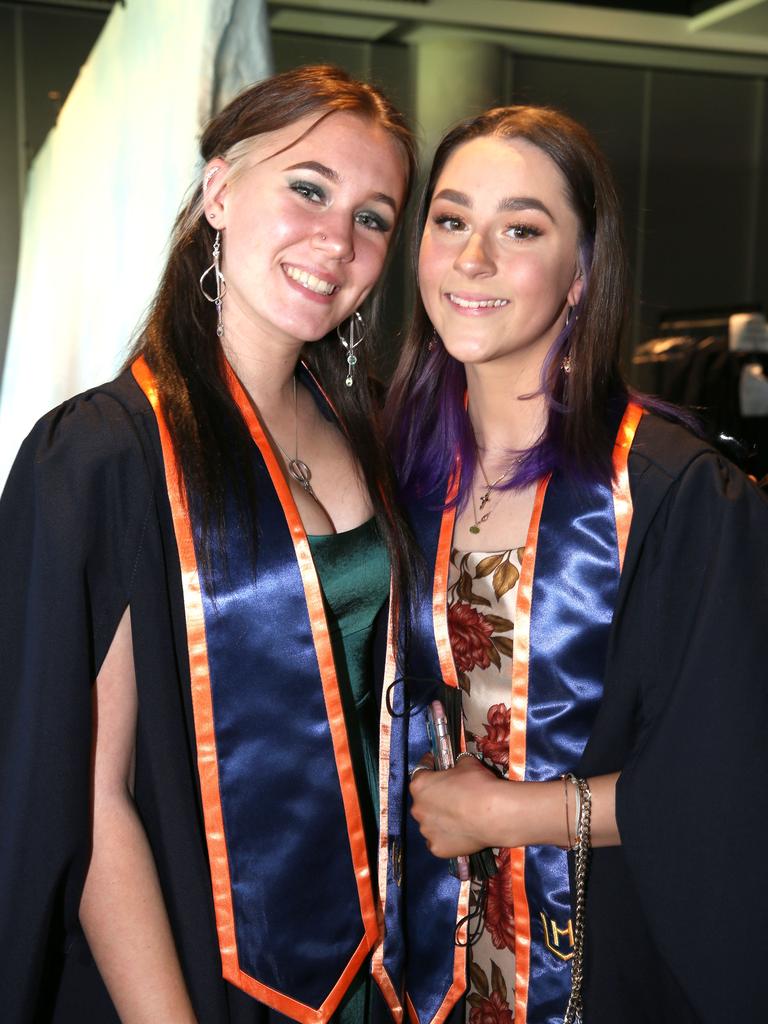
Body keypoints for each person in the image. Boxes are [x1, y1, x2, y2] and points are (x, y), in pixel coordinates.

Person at [0, 65, 417, 1024]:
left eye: (375, 217)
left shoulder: (374, 434)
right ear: (222, 191)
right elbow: (93, 798)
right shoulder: (107, 456)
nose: (337, 241)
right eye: (307, 188)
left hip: (382, 961)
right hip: (199, 967)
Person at [376, 105, 768, 1024]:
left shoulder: (678, 497)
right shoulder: (391, 473)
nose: (473, 259)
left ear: (582, 274)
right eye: (450, 220)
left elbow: (732, 777)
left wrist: (504, 817)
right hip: (428, 963)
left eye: (521, 228)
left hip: (610, 962)